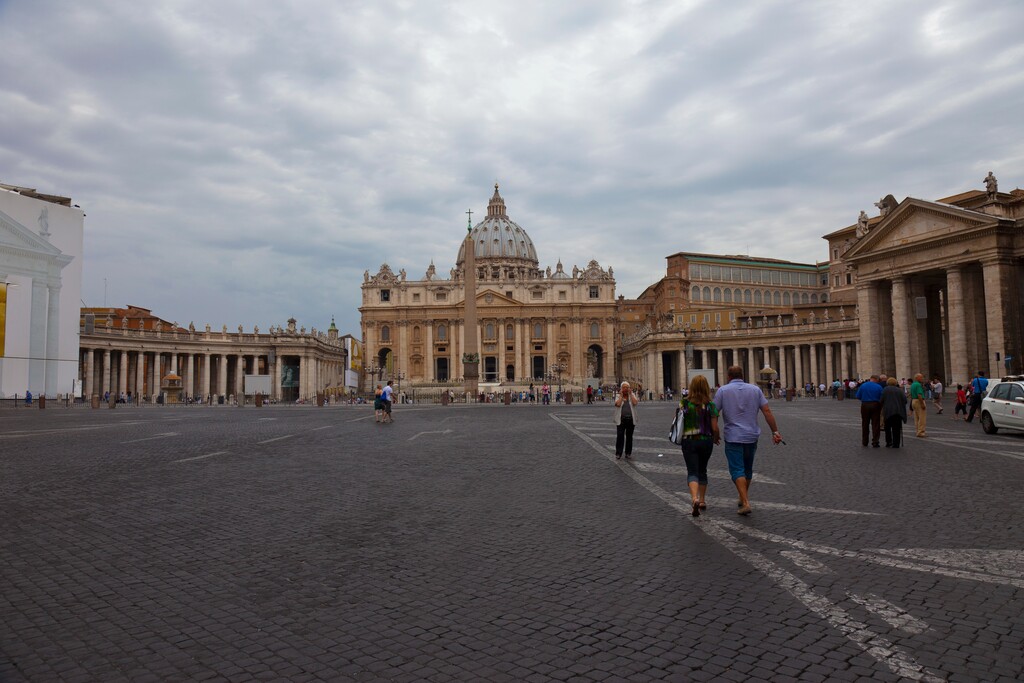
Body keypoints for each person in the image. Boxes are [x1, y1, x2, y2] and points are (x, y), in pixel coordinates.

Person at [713, 366, 783, 516]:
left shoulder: (723, 391)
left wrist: (715, 432)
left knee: (737, 469)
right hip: (751, 435)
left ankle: (745, 502)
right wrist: (775, 432)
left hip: (733, 436)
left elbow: (714, 414)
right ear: (742, 375)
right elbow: (767, 411)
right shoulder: (755, 390)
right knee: (747, 469)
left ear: (728, 376)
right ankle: (742, 496)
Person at [678, 375, 720, 517]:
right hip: (706, 440)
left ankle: (694, 498)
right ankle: (702, 500)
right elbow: (714, 427)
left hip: (689, 440)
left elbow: (678, 421)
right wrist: (716, 437)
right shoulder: (711, 405)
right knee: (703, 470)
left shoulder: (684, 403)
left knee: (692, 471)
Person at [855, 374, 883, 447]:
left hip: (865, 405)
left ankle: (865, 441)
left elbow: (858, 396)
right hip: (876, 405)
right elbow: (882, 397)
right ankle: (875, 441)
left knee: (865, 423)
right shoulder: (879, 386)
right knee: (876, 424)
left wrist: (865, 399)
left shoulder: (863, 385)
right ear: (876, 379)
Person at [613, 381, 639, 460]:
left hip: (631, 419)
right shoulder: (618, 396)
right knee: (620, 437)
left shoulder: (632, 395)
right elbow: (618, 404)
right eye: (624, 387)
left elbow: (635, 403)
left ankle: (628, 453)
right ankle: (618, 453)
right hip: (621, 420)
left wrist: (631, 394)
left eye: (627, 387)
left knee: (629, 437)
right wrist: (621, 396)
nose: (625, 389)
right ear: (621, 389)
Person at [880, 377, 908, 448]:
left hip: (888, 411)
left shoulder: (885, 390)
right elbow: (905, 401)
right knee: (897, 428)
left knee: (888, 428)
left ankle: (889, 442)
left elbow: (881, 400)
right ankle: (896, 443)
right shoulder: (900, 390)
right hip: (898, 412)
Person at [909, 373, 927, 437]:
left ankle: (917, 431)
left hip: (913, 400)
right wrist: (922, 404)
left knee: (916, 418)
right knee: (922, 417)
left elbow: (910, 394)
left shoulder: (913, 384)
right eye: (921, 377)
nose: (922, 378)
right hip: (919, 401)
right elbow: (919, 395)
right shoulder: (918, 385)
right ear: (917, 378)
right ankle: (921, 432)